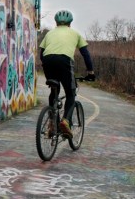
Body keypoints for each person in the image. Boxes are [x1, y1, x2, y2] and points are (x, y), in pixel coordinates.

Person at [39, 10, 95, 138]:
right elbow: (85, 54)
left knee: (54, 92)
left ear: (56, 22)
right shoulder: (75, 34)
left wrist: (48, 66)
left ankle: (52, 125)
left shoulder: (50, 34)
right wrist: (90, 72)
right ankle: (65, 121)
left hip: (48, 61)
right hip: (64, 61)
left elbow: (41, 53)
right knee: (70, 93)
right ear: (70, 23)